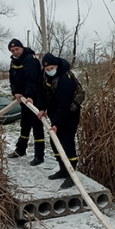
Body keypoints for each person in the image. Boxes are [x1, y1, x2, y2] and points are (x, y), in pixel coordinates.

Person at [37, 53, 82, 189]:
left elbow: (64, 104)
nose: (50, 70)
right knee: (54, 141)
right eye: (47, 69)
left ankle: (71, 175)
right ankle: (63, 169)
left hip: (69, 113)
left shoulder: (65, 78)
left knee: (66, 142)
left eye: (52, 68)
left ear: (57, 65)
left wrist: (56, 124)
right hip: (55, 113)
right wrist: (42, 108)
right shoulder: (44, 76)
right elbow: (41, 93)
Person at [7, 38, 45, 165]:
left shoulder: (30, 60)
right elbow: (12, 79)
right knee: (25, 125)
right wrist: (15, 92)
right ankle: (20, 150)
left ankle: (39, 156)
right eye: (12, 50)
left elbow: (31, 79)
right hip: (23, 99)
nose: (15, 52)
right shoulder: (13, 62)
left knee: (37, 126)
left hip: (34, 98)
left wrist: (29, 96)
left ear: (22, 48)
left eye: (17, 49)